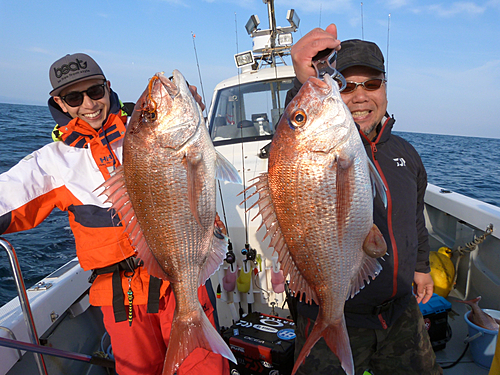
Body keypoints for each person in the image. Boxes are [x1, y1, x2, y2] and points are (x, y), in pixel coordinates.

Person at [0, 53, 229, 375]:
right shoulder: (51, 163)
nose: (89, 104)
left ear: (107, 87)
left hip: (182, 278)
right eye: (73, 97)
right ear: (59, 103)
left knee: (204, 368)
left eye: (95, 91)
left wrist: (181, 110)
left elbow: (187, 149)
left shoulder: (142, 131)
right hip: (120, 296)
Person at [285, 25, 442, 375]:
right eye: (345, 86)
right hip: (331, 308)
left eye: (371, 84)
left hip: (400, 314)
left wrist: (421, 267)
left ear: (385, 89)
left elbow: (415, 216)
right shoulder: (320, 145)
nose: (359, 97)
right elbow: (297, 140)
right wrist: (302, 83)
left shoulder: (407, 154)